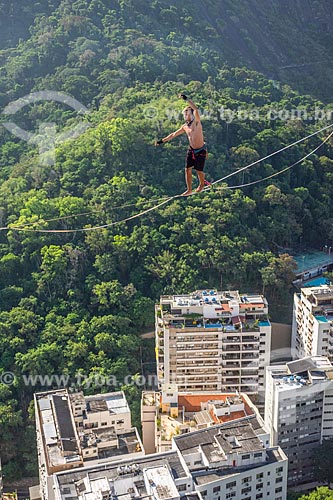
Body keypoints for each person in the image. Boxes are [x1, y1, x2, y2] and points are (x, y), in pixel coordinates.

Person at [155, 94, 209, 196]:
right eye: (184, 114)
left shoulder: (196, 122)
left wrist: (186, 99)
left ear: (192, 114)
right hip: (192, 150)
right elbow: (173, 134)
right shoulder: (185, 127)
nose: (185, 116)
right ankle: (189, 189)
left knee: (198, 170)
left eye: (187, 113)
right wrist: (161, 141)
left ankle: (202, 184)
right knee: (187, 169)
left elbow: (196, 109)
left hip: (201, 150)